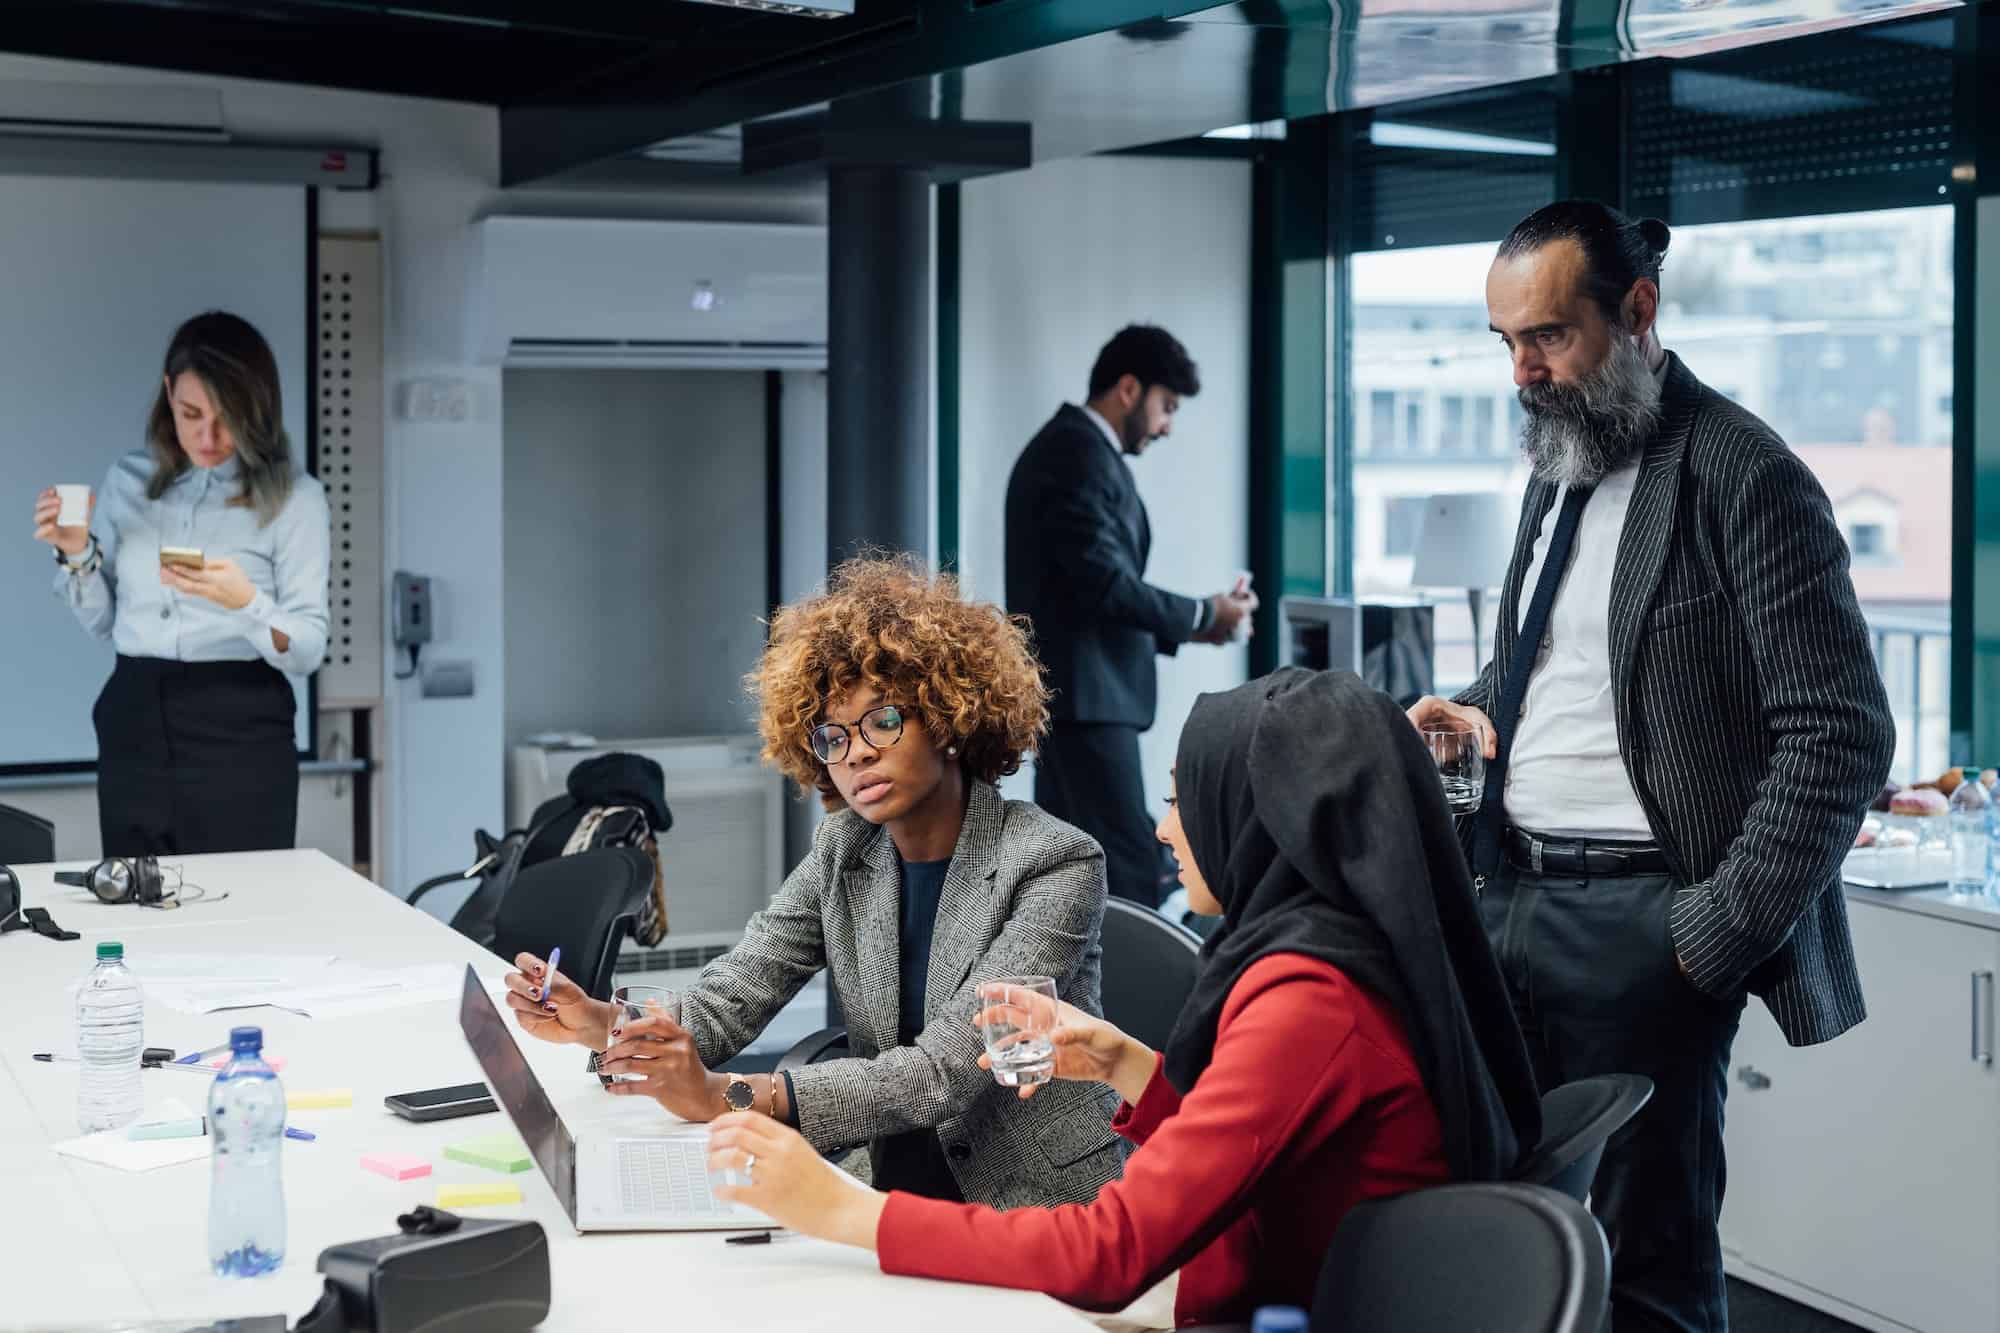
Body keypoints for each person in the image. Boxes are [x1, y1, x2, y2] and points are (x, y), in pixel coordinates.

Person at [704, 669, 1542, 1328]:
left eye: (1184, 797)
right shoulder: (1330, 949)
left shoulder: (1306, 1000)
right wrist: (1126, 1062)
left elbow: (1111, 1252)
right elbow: (1263, 1142)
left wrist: (842, 1209)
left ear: (1257, 816)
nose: (1165, 828)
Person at [1407, 201, 1894, 1332]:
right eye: (1505, 343)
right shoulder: (1561, 455)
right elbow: (1550, 669)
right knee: (1496, 1235)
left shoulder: (1744, 472)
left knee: (1647, 1273)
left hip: (1643, 924)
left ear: (1636, 309)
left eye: (1548, 335)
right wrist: (1468, 708)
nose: (1523, 372)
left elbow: (1841, 732)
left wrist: (1708, 934)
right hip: (1505, 898)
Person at [504, 556, 1126, 1207]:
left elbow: (943, 1073)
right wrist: (604, 1022)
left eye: (883, 721)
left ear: (947, 719)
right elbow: (735, 993)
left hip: (1031, 1202)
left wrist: (726, 1095)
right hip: (887, 1182)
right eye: (833, 736)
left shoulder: (1054, 861)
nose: (857, 752)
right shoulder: (845, 847)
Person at [32, 311, 330, 856]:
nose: (208, 437)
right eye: (192, 414)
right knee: (133, 893)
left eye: (227, 419)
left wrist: (247, 603)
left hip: (240, 724)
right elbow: (103, 623)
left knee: (244, 899)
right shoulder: (128, 481)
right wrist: (77, 553)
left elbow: (309, 649)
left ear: (257, 411)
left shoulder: (296, 498)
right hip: (134, 715)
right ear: (169, 394)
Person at [1005, 325, 1258, 909]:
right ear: (1128, 389)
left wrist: (1203, 624)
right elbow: (1103, 584)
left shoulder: (1076, 451)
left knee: (1080, 872)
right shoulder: (1074, 454)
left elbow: (1089, 591)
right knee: (1129, 871)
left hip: (1081, 703)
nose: (1167, 425)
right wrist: (1202, 611)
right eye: (1166, 406)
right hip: (1086, 705)